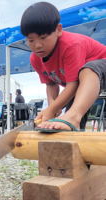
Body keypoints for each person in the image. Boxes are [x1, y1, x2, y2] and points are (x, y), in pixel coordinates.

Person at [20, 2, 106, 132]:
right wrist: (52, 108)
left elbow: (73, 84)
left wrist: (52, 109)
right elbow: (50, 85)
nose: (37, 45)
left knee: (88, 70)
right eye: (31, 40)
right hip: (84, 85)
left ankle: (73, 118)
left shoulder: (70, 45)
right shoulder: (35, 58)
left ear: (58, 30)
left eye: (43, 37)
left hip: (98, 70)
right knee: (68, 121)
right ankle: (73, 132)